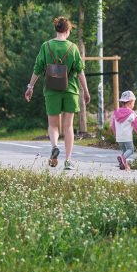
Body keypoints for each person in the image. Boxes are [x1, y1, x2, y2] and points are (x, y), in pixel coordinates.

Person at [24, 16, 89, 170]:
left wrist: (30, 87)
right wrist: (86, 91)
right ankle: (68, 160)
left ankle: (54, 147)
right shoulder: (73, 48)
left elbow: (38, 68)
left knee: (53, 125)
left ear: (56, 29)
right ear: (68, 30)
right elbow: (80, 72)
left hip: (52, 90)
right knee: (68, 126)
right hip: (71, 90)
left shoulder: (46, 46)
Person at [110, 90, 137, 170]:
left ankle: (123, 165)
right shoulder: (132, 114)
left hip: (119, 137)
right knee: (130, 150)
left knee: (123, 150)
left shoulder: (116, 113)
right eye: (133, 103)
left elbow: (113, 125)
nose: (133, 105)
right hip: (127, 137)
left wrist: (115, 134)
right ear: (130, 102)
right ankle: (123, 158)